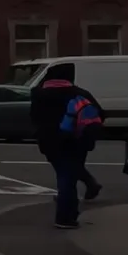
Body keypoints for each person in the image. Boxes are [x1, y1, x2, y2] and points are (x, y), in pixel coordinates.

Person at [30, 63, 104, 229]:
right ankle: (65, 217)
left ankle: (73, 200)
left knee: (63, 173)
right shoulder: (79, 94)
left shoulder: (38, 94)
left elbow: (33, 117)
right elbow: (98, 115)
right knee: (67, 178)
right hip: (74, 141)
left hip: (48, 141)